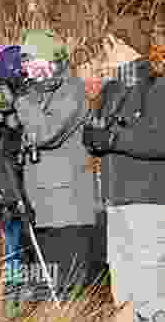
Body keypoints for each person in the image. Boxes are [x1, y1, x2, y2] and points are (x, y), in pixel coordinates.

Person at [83, 50, 165, 322]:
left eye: (112, 42)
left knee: (149, 284)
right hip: (115, 200)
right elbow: (93, 132)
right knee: (122, 279)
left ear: (132, 49)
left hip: (149, 200)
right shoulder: (111, 89)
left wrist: (113, 137)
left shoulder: (162, 89)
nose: (106, 49)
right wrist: (94, 138)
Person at [13, 30, 100, 304]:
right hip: (43, 206)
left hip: (68, 209)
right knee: (48, 286)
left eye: (29, 60)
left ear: (49, 61)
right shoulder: (37, 94)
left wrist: (19, 101)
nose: (25, 68)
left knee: (68, 289)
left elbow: (46, 132)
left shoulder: (72, 91)